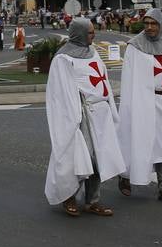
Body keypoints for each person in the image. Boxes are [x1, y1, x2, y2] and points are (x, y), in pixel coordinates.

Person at [46, 18, 124, 218]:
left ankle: (92, 201)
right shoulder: (63, 59)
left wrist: (108, 107)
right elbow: (61, 93)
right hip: (80, 116)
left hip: (100, 114)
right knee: (78, 158)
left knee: (99, 160)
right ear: (79, 33)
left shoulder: (93, 52)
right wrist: (74, 119)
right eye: (90, 32)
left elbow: (103, 80)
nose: (94, 35)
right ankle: (68, 196)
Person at [117, 8, 162, 205]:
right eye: (146, 23)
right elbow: (130, 80)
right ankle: (126, 174)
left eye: (153, 23)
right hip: (142, 102)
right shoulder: (135, 47)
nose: (149, 27)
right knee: (137, 139)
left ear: (160, 24)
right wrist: (133, 105)